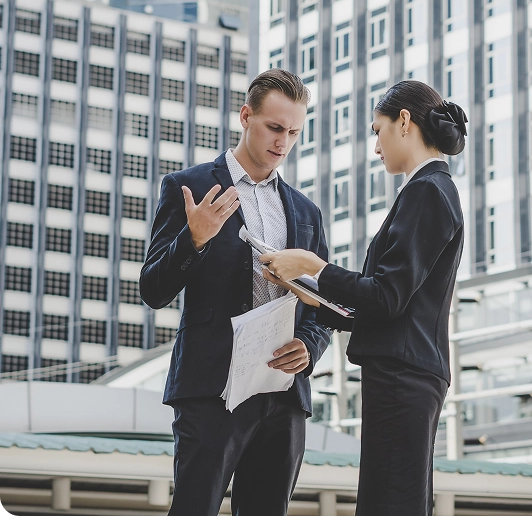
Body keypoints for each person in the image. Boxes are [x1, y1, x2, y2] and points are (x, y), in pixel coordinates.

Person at [260, 80, 467, 516]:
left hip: (402, 375)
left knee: (387, 503)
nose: (376, 146)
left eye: (378, 130)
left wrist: (313, 267)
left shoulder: (427, 190)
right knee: (394, 500)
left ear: (404, 122)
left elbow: (387, 296)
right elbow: (390, 303)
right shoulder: (428, 189)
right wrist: (319, 301)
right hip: (406, 373)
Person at [140, 69, 332, 516]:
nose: (283, 142)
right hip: (212, 388)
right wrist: (194, 239)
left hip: (283, 393)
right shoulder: (188, 187)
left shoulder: (306, 211)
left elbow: (322, 304)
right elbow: (153, 289)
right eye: (275, 128)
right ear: (246, 116)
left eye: (294, 132)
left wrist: (309, 346)